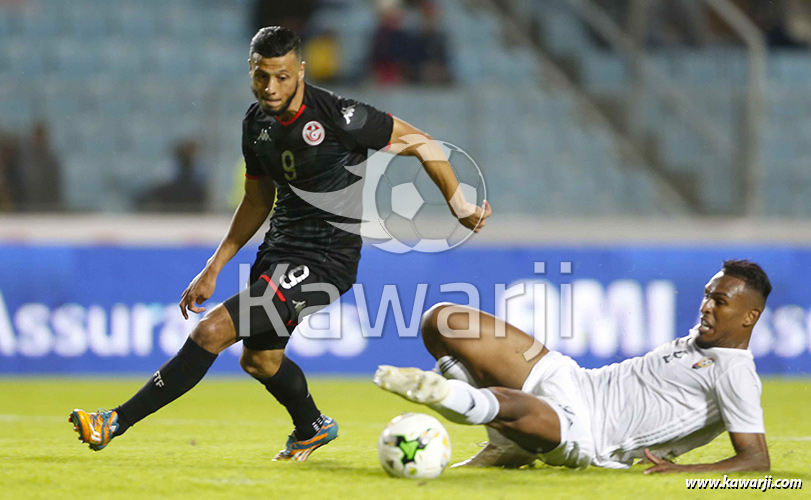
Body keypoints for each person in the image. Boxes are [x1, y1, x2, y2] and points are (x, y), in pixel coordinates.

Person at [70, 26, 491, 461]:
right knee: (259, 362)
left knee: (211, 331)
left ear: (301, 71)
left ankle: (113, 422)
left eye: (282, 76)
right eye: (261, 76)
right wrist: (214, 265)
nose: (271, 87)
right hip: (280, 253)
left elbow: (421, 142)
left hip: (326, 259)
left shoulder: (339, 116)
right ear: (251, 71)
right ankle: (311, 426)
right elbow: (256, 200)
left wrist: (457, 201)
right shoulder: (256, 125)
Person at [375, 259, 771, 472]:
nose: (705, 306)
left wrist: (686, 472)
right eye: (707, 295)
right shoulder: (699, 341)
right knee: (443, 321)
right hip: (570, 377)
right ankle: (504, 441)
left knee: (514, 405)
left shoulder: (735, 372)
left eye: (720, 302)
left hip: (589, 435)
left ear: (749, 316)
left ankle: (445, 395)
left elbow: (756, 461)